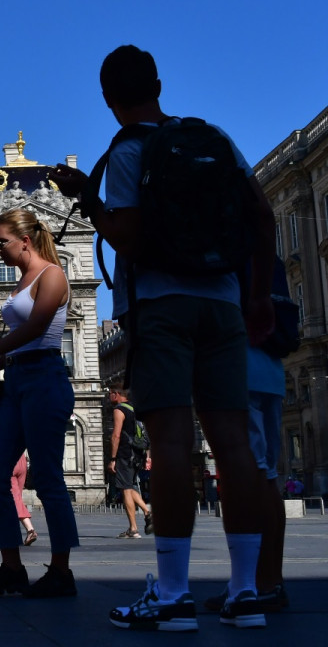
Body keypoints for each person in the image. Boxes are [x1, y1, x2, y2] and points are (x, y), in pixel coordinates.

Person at [51, 45, 275, 631]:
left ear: (108, 98)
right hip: (223, 303)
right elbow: (261, 214)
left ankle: (174, 594)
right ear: (158, 84)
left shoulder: (129, 150)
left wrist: (89, 200)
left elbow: (127, 235)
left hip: (161, 306)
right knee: (234, 445)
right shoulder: (213, 138)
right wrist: (255, 295)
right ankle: (245, 590)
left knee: (171, 444)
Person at [0, 208, 78, 599]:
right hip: (18, 379)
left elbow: (38, 327)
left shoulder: (52, 275)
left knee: (49, 477)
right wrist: (1, 362)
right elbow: (25, 335)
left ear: (25, 240)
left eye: (1, 242)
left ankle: (61, 572)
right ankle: (11, 568)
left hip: (45, 379)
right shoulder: (22, 279)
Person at [204, 340, 290, 613]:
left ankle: (253, 586)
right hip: (271, 373)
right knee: (267, 475)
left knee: (245, 473)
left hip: (237, 373)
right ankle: (271, 581)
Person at [108, 384, 153, 539]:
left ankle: (134, 529)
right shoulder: (136, 409)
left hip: (125, 454)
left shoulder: (119, 409)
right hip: (138, 454)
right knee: (129, 486)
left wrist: (113, 458)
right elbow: (146, 434)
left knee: (125, 489)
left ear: (116, 394)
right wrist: (147, 456)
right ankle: (147, 513)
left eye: (110, 393)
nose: (109, 397)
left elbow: (116, 435)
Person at [10, 454, 38, 547]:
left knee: (14, 500)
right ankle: (2, 530)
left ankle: (30, 530)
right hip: (22, 460)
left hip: (7, 459)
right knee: (17, 498)